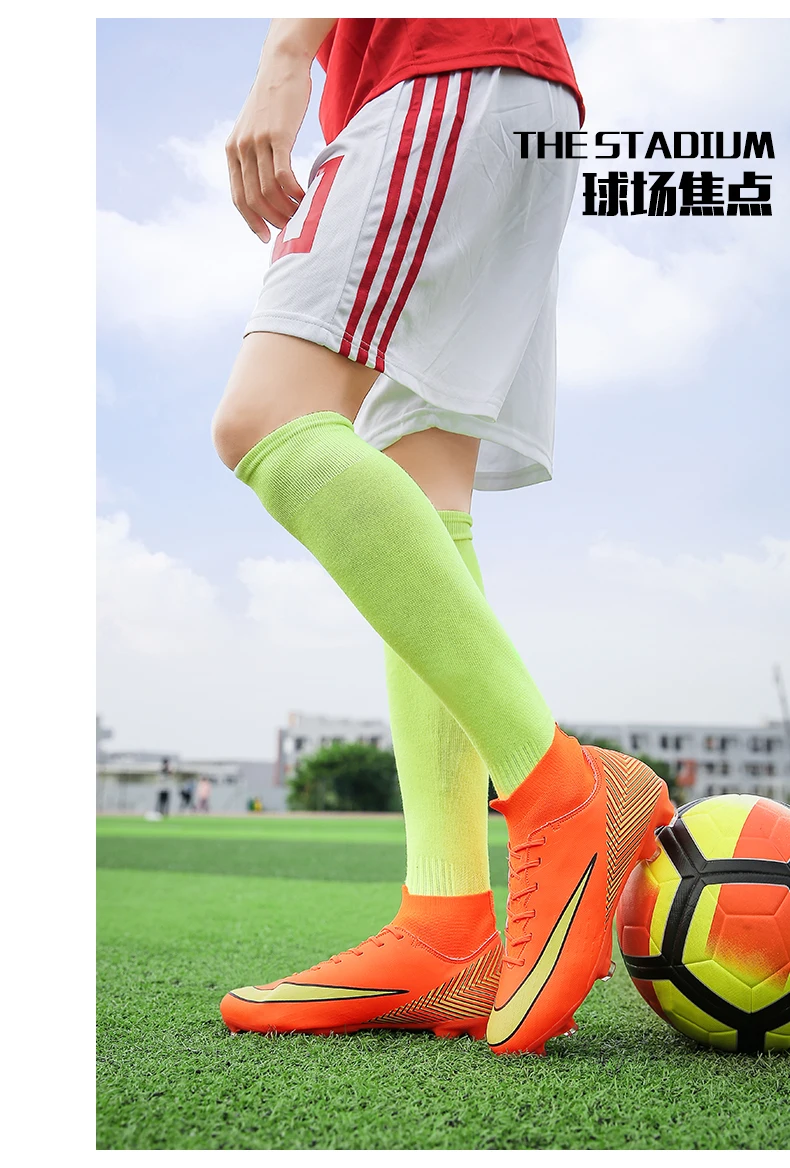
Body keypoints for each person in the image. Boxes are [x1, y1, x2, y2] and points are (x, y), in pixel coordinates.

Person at [214, 18, 673, 1056]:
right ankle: (446, 923)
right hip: (502, 97)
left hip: (441, 67)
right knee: (420, 498)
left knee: (268, 420)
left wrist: (285, 57)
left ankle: (560, 789)